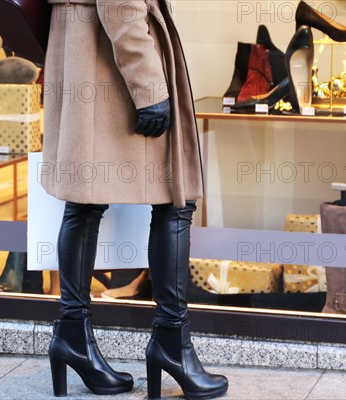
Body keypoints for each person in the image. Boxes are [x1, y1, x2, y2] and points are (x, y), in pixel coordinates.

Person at [42, 0, 229, 399]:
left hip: (87, 54)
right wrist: (150, 88)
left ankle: (74, 335)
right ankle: (171, 345)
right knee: (175, 200)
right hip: (112, 65)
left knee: (85, 202)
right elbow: (120, 8)